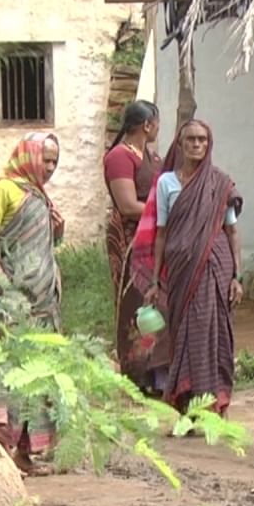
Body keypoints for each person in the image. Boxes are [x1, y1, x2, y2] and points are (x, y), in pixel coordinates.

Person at [140, 119, 243, 415]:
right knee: (184, 332)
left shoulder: (220, 183)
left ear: (209, 145)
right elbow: (161, 232)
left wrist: (236, 276)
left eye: (202, 140)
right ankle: (188, 402)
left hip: (215, 266)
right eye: (191, 140)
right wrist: (155, 280)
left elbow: (232, 231)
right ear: (181, 145)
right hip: (180, 269)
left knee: (215, 331)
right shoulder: (166, 183)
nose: (197, 145)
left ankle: (217, 403)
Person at [0, 132, 64, 475]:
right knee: (8, 372)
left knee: (38, 375)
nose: (51, 167)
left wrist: (58, 231)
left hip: (43, 301)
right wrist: (5, 287)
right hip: (12, 301)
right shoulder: (4, 190)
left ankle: (25, 456)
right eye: (46, 159)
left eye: (55, 161)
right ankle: (0, 453)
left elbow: (43, 249)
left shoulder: (40, 197)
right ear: (28, 156)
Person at [103, 100, 165, 395]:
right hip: (130, 238)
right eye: (158, 124)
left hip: (153, 236)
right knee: (133, 302)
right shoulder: (119, 157)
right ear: (148, 125)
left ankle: (157, 370)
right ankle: (136, 373)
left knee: (155, 299)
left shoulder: (150, 156)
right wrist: (163, 213)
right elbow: (128, 206)